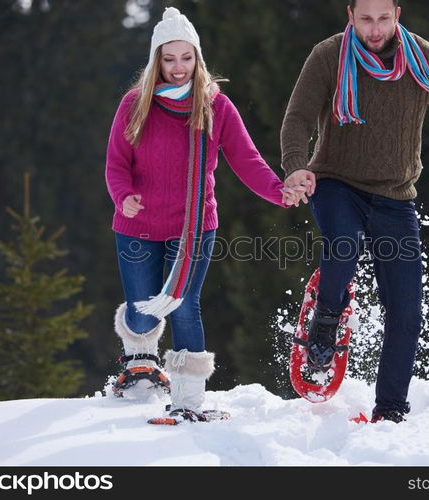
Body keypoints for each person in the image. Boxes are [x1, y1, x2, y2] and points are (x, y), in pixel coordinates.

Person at [281, 0, 429, 423]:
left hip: (395, 196)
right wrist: (297, 166)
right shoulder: (329, 54)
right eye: (365, 19)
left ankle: (390, 410)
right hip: (335, 182)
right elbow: (297, 117)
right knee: (344, 244)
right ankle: (327, 321)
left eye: (383, 18)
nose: (374, 29)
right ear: (350, 15)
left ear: (397, 15)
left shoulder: (425, 59)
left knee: (407, 310)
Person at [105, 7, 304, 421]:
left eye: (186, 58)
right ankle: (140, 360)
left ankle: (188, 400)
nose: (178, 68)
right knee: (142, 311)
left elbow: (246, 160)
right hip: (137, 226)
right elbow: (116, 164)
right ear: (156, 59)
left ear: (198, 58)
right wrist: (123, 196)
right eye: (169, 58)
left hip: (194, 227)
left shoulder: (216, 107)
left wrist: (278, 191)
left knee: (184, 305)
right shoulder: (134, 105)